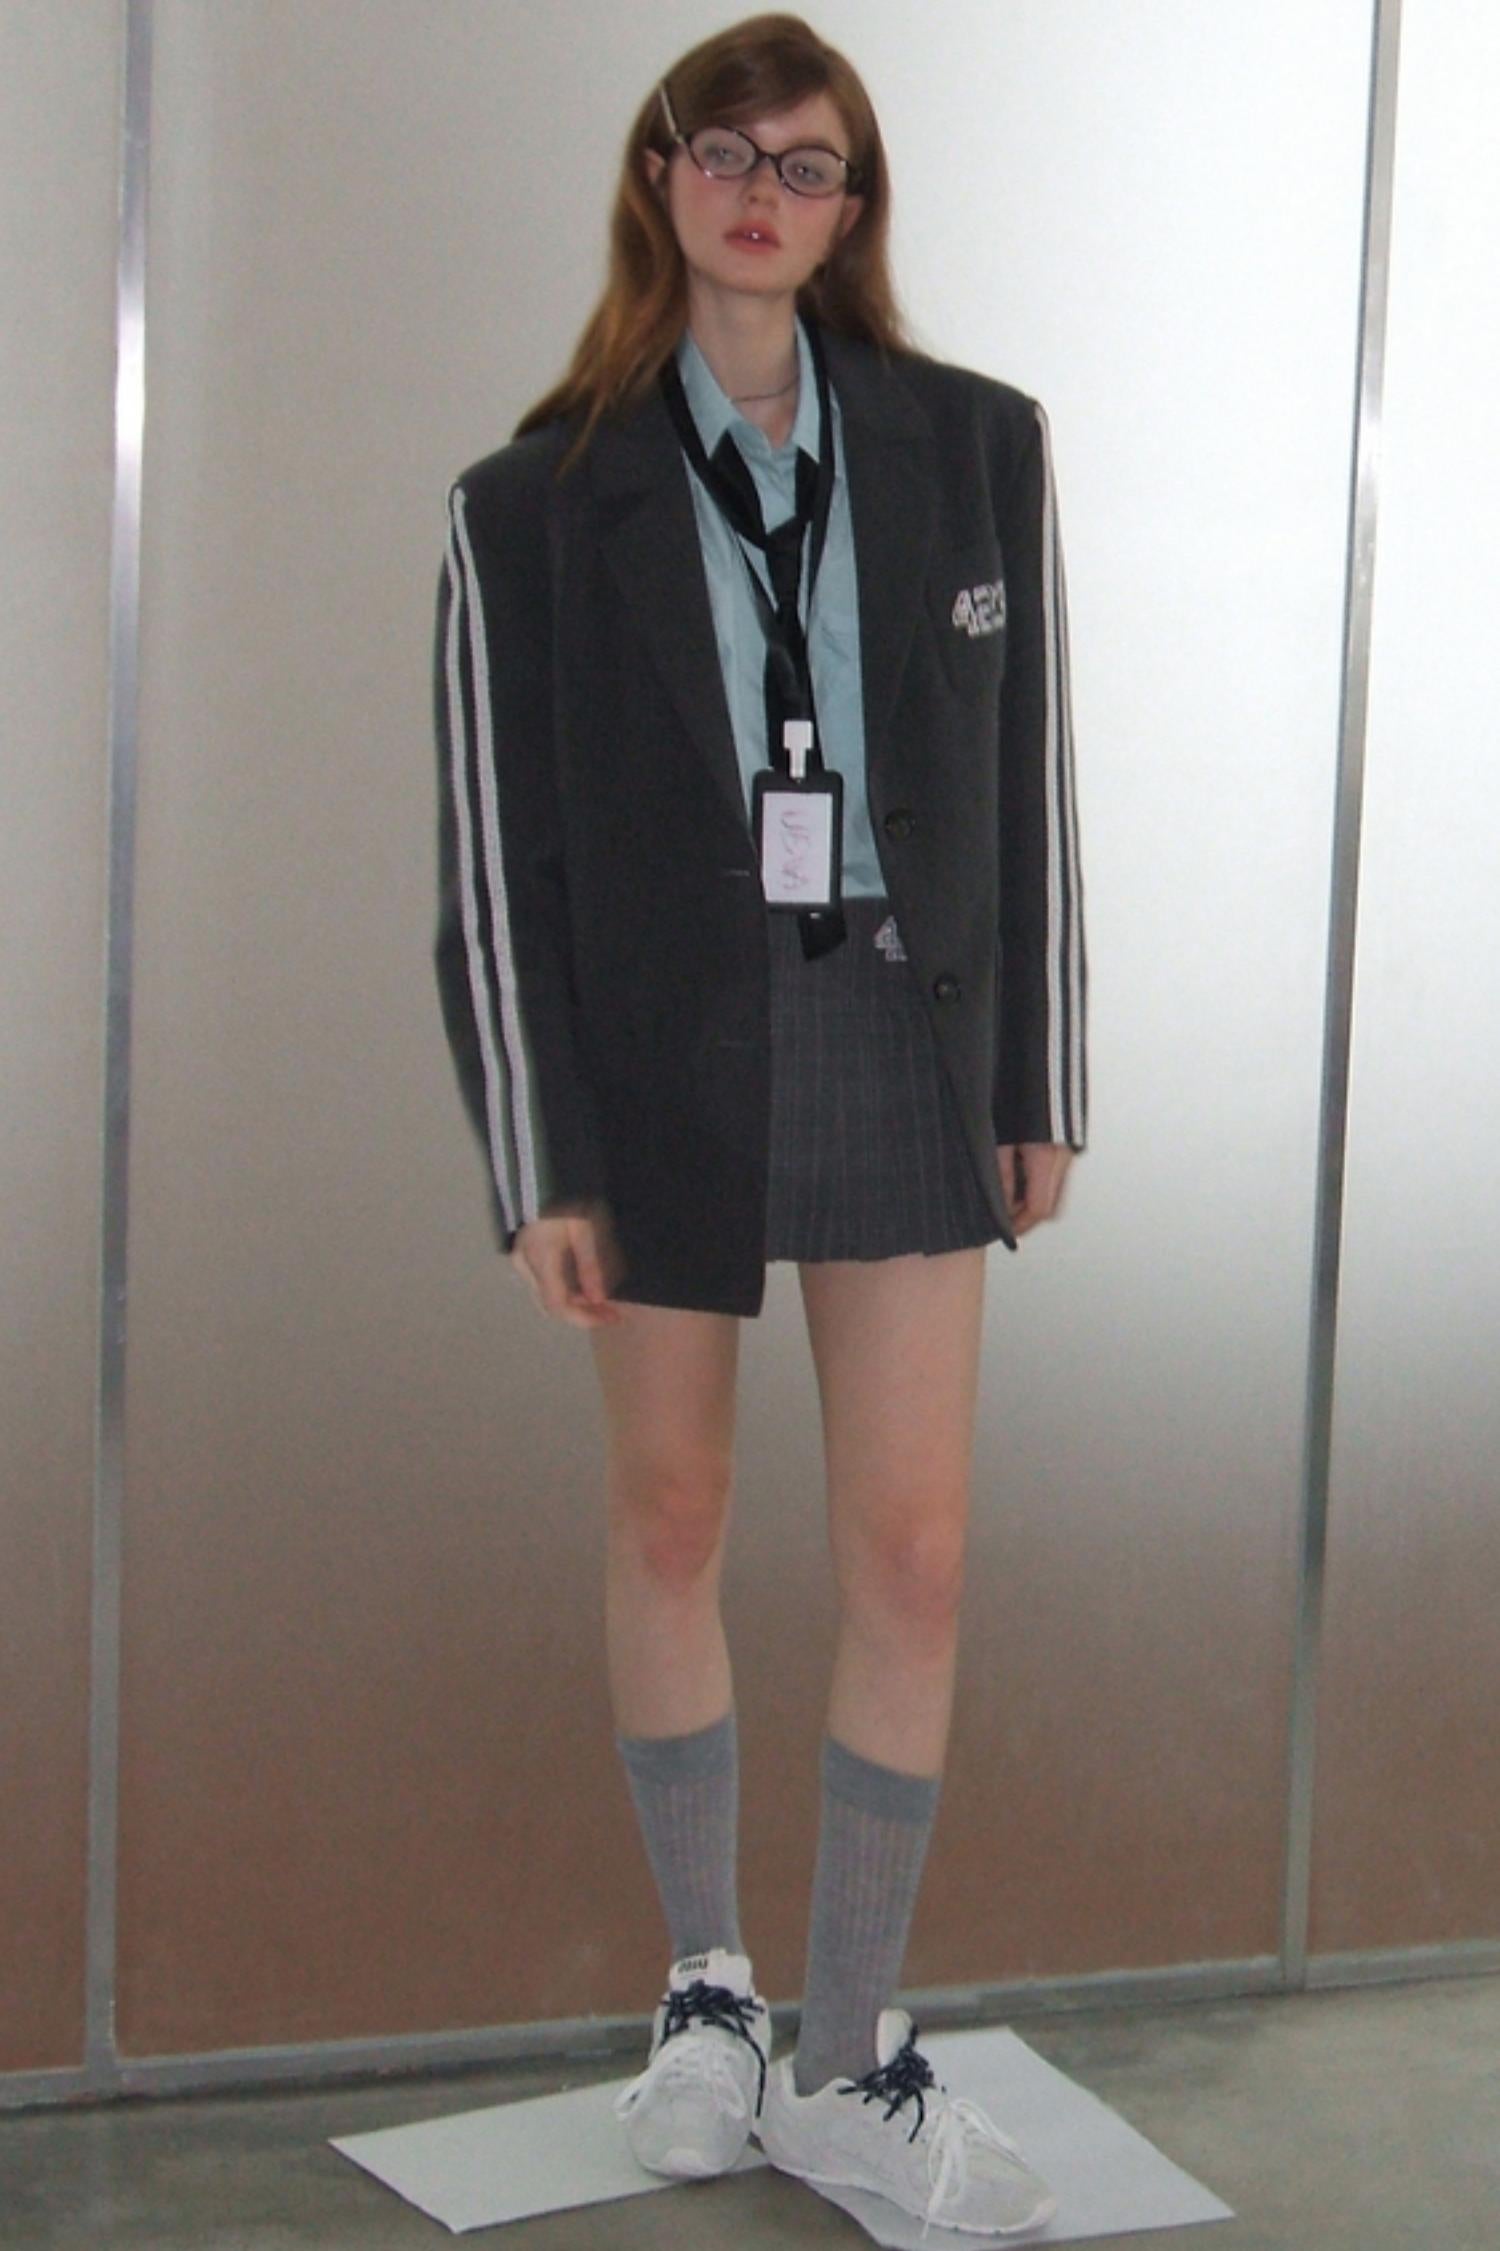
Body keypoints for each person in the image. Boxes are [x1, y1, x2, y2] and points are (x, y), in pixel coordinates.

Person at [433, 12, 1084, 2236]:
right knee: (675, 1515)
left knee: (915, 1550)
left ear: (851, 209)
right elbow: (497, 857)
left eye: (807, 165)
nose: (760, 194)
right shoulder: (533, 499)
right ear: (660, 178)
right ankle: (707, 1989)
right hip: (665, 1054)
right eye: (724, 151)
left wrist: (1040, 1077)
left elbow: (1029, 782)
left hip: (903, 1021)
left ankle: (851, 2052)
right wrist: (541, 1153)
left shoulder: (975, 446)